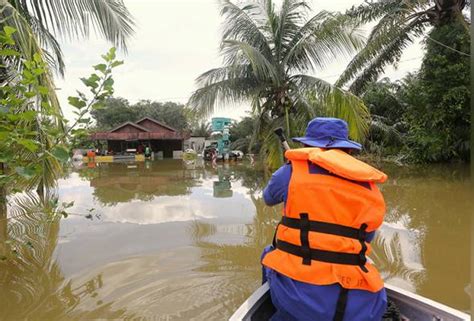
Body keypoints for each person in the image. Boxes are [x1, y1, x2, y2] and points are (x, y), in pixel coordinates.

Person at [261, 117, 388, 321]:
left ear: (306, 145)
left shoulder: (291, 172)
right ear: (347, 150)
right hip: (362, 306)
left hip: (299, 300)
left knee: (269, 253)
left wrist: (288, 173)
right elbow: (367, 237)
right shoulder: (369, 185)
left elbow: (267, 198)